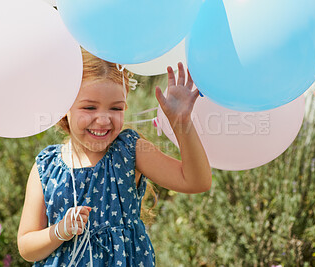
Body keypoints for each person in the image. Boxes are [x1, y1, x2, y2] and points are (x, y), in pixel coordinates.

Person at [17, 48, 212, 267]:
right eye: (89, 107)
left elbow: (197, 181)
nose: (103, 119)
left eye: (116, 108)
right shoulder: (46, 167)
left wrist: (182, 122)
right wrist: (58, 231)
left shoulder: (129, 151)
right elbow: (26, 246)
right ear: (64, 107)